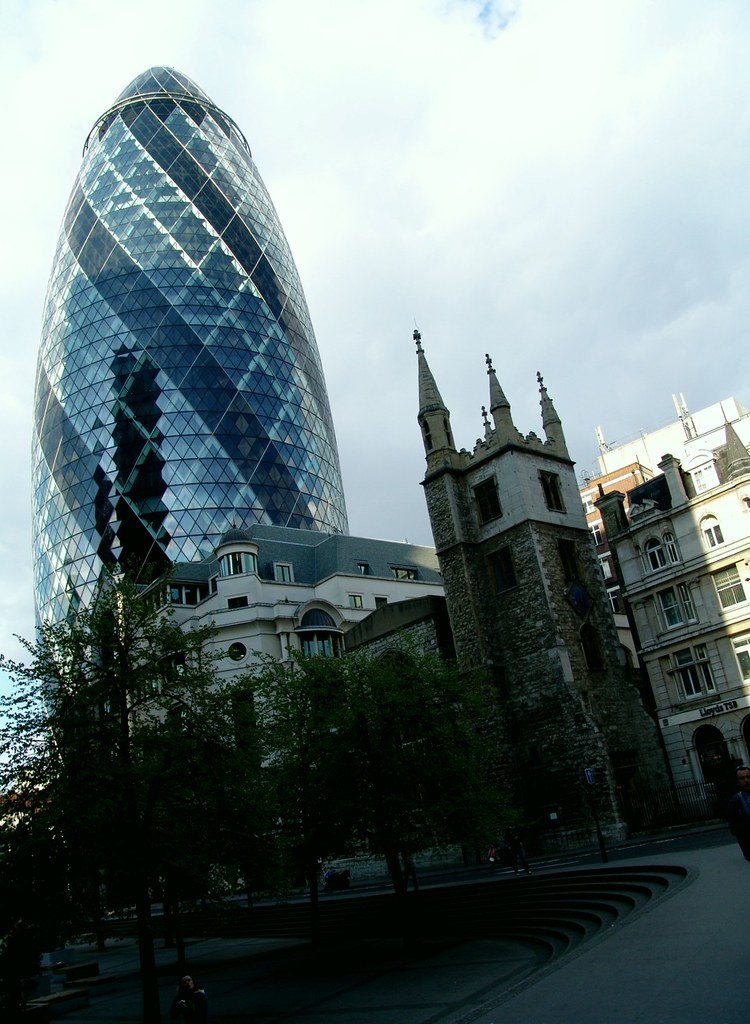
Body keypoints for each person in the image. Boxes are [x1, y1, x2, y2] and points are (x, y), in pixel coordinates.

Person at [726, 764, 750, 861]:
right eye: (742, 778)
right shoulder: (735, 801)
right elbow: (734, 827)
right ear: (737, 781)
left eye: (748, 777)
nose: (746, 780)